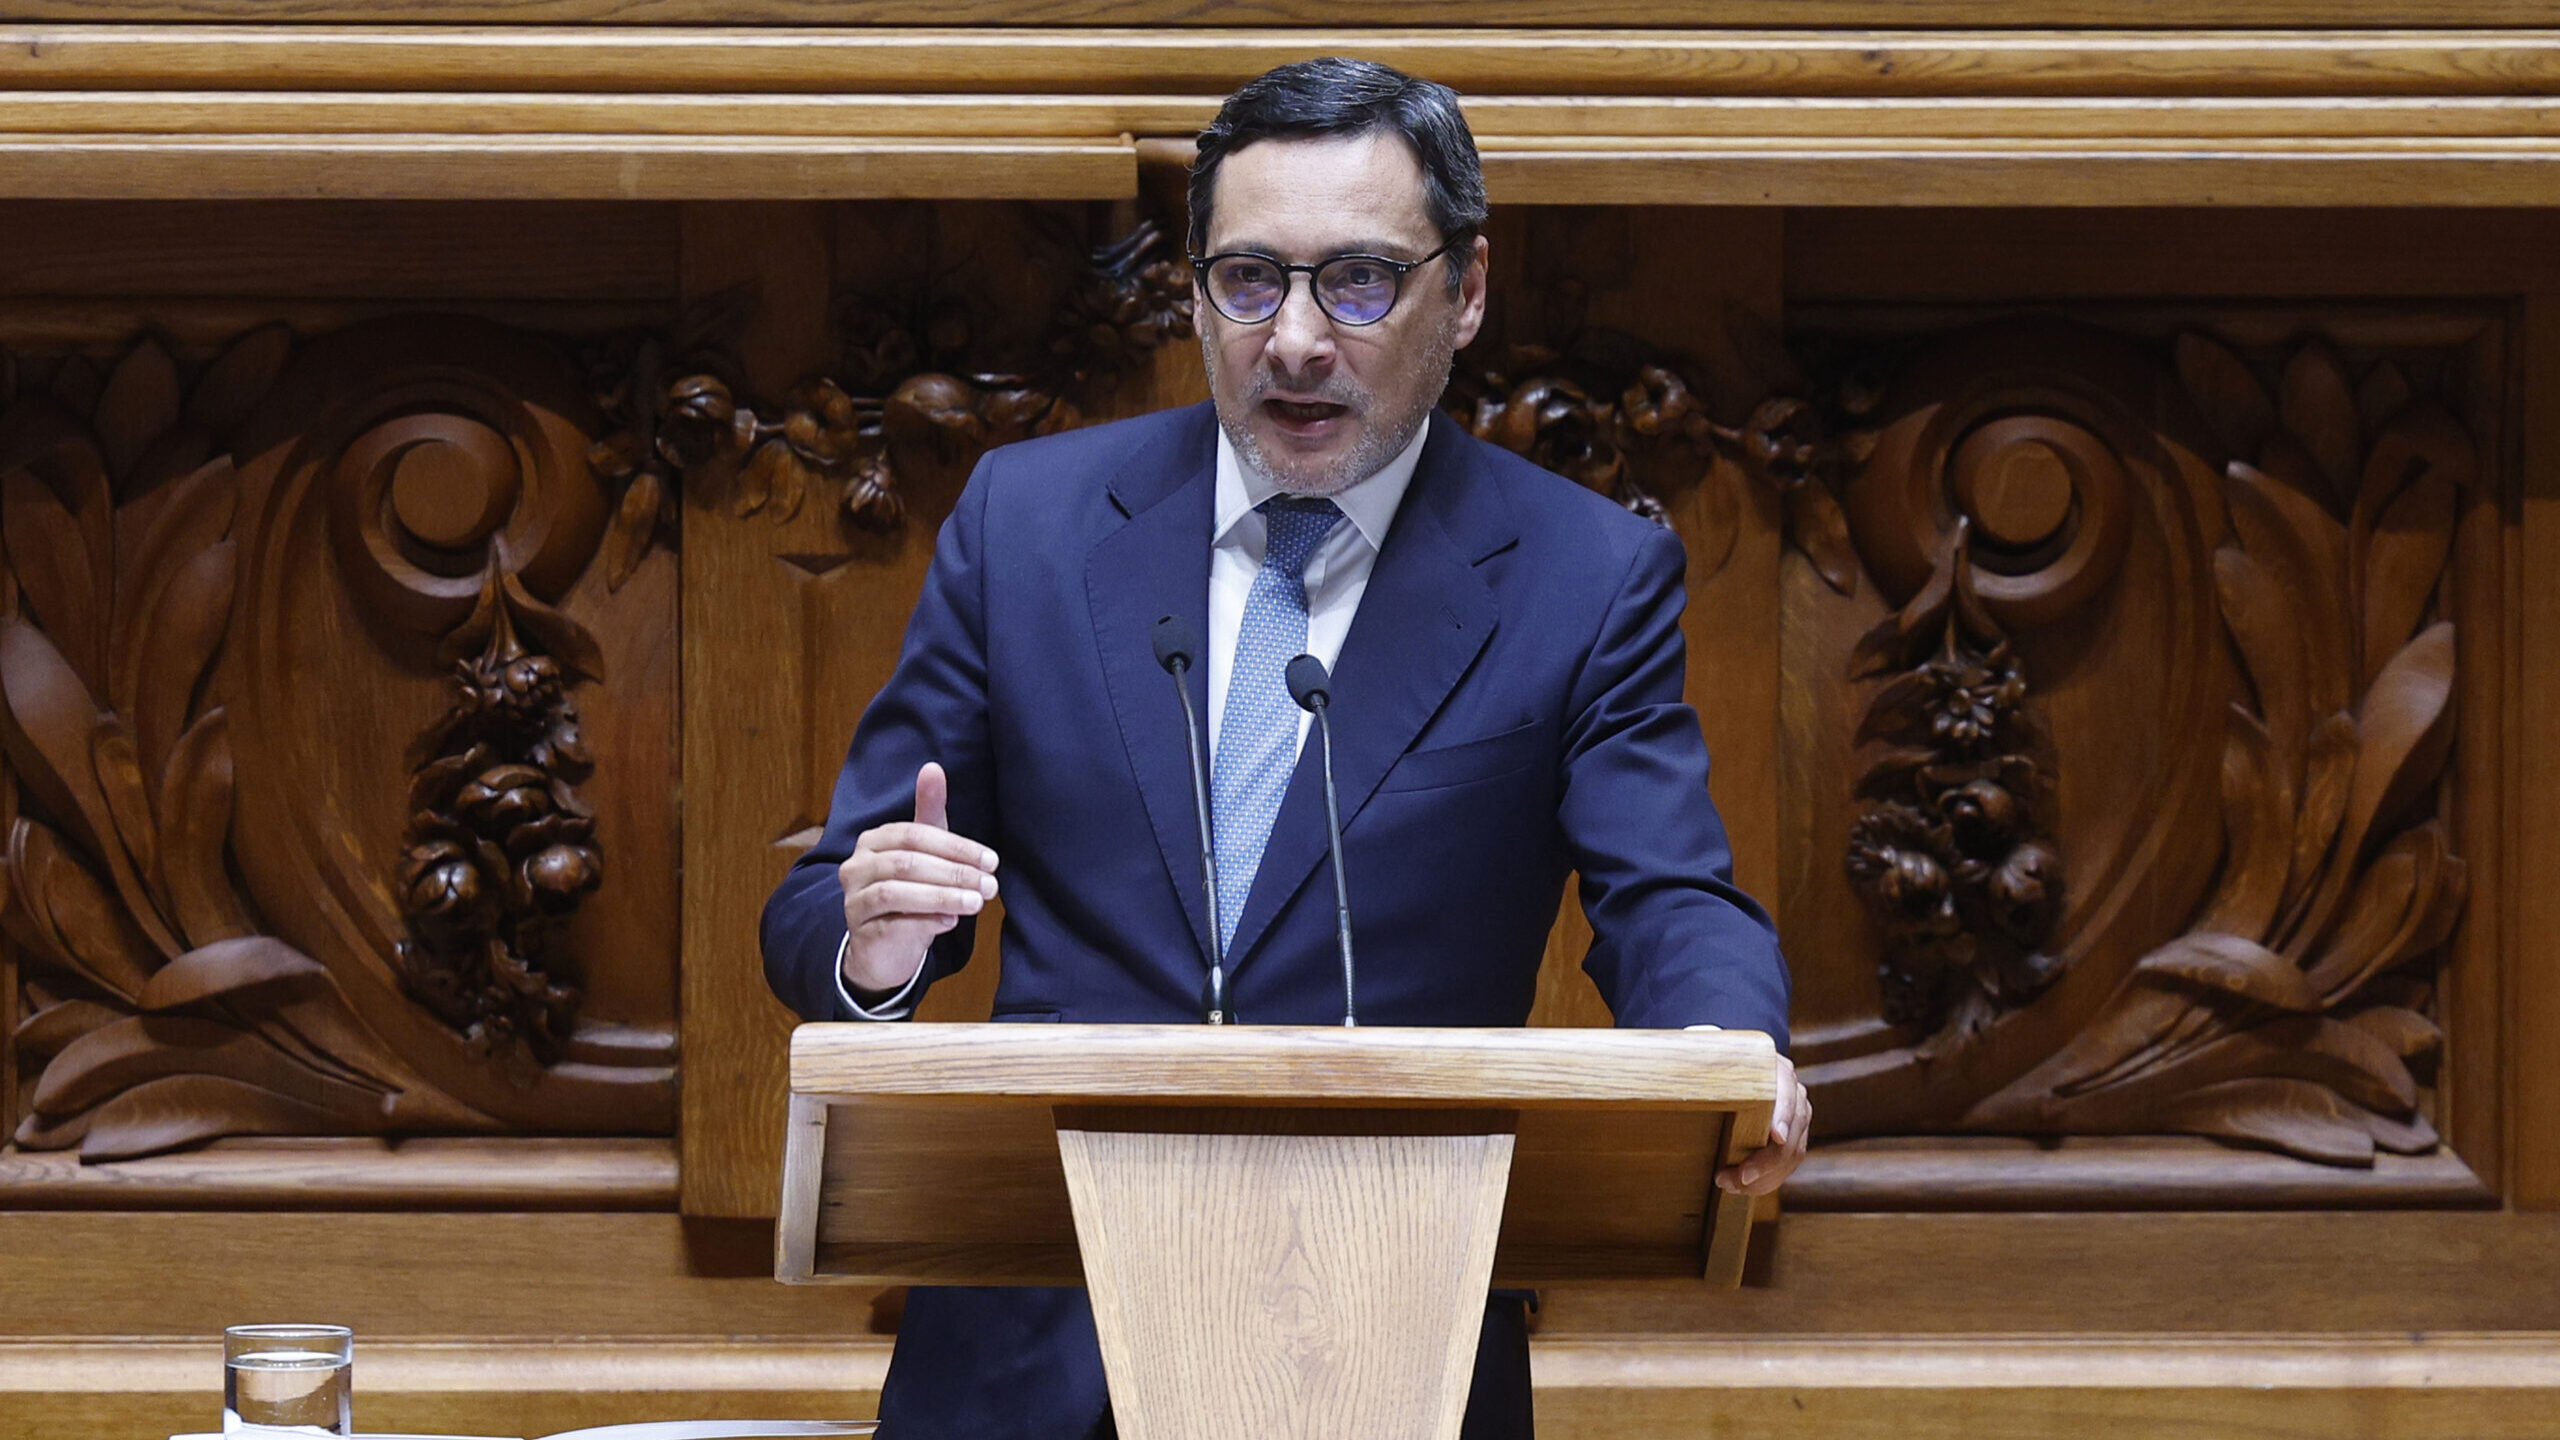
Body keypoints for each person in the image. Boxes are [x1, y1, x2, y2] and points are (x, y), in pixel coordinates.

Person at [761, 56, 1811, 1440]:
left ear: (1466, 289)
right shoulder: (1030, 523)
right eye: (1250, 280)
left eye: (1359, 282)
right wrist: (872, 942)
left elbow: (1669, 896)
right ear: (1195, 294)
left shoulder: (1583, 577)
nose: (1297, 340)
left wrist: (1733, 1054)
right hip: (1036, 1352)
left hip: (1392, 1329)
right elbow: (821, 909)